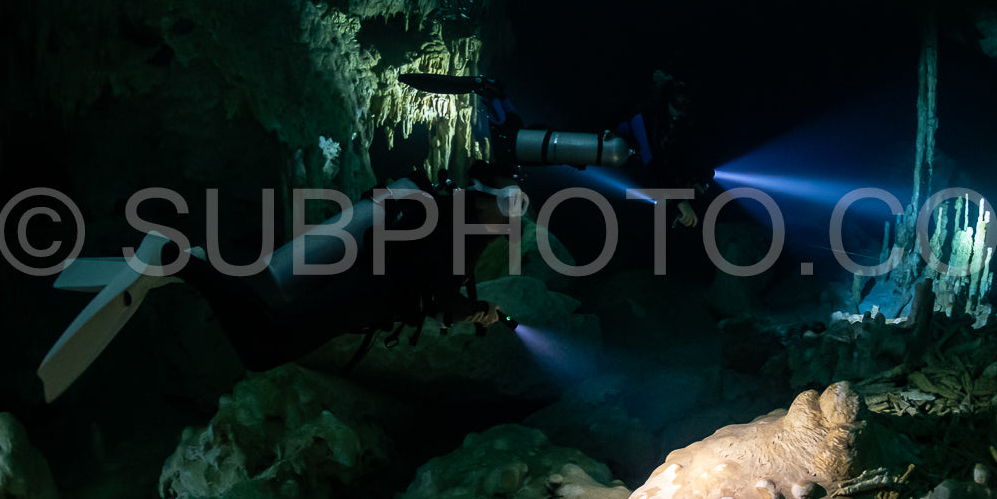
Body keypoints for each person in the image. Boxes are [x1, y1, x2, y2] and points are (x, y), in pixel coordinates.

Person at [37, 169, 520, 400]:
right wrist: (470, 310)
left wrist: (464, 307)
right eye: (510, 207)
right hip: (365, 294)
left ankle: (190, 266)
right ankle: (176, 259)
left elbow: (433, 296)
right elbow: (436, 292)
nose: (512, 221)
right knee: (262, 347)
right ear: (482, 200)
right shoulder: (454, 224)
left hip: (367, 297)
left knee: (264, 342)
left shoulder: (453, 221)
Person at [615, 71, 714, 228]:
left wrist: (696, 179)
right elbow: (652, 162)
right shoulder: (643, 118)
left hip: (651, 169)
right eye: (677, 106)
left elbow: (684, 154)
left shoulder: (679, 123)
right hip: (626, 166)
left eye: (684, 109)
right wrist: (680, 200)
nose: (678, 116)